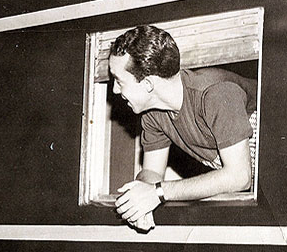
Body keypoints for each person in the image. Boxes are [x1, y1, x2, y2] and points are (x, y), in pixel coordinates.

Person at [108, 25, 257, 231]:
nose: (115, 90)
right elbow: (151, 171)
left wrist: (158, 193)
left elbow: (239, 177)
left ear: (148, 84)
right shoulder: (153, 114)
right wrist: (140, 198)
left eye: (119, 81)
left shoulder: (215, 93)